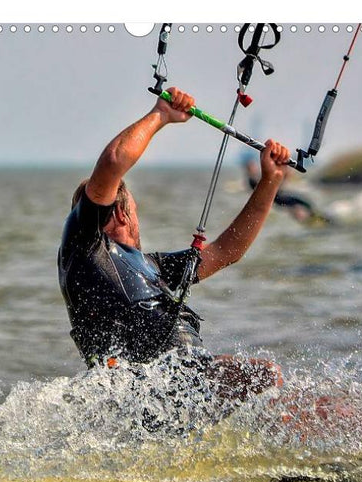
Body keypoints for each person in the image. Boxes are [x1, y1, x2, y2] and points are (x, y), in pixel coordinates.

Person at [58, 86, 299, 410]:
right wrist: (161, 115)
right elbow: (113, 162)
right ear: (120, 210)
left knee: (314, 401)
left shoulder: (152, 267)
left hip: (182, 390)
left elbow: (227, 251)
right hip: (149, 389)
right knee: (265, 378)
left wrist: (271, 180)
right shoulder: (86, 248)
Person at [243, 156, 331, 226]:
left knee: (305, 204)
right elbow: (269, 189)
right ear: (249, 168)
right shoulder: (252, 181)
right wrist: (284, 176)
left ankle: (321, 220)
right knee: (302, 207)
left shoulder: (256, 178)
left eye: (254, 165)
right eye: (253, 166)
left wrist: (284, 176)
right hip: (279, 199)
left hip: (280, 198)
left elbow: (272, 186)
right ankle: (320, 221)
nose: (255, 167)